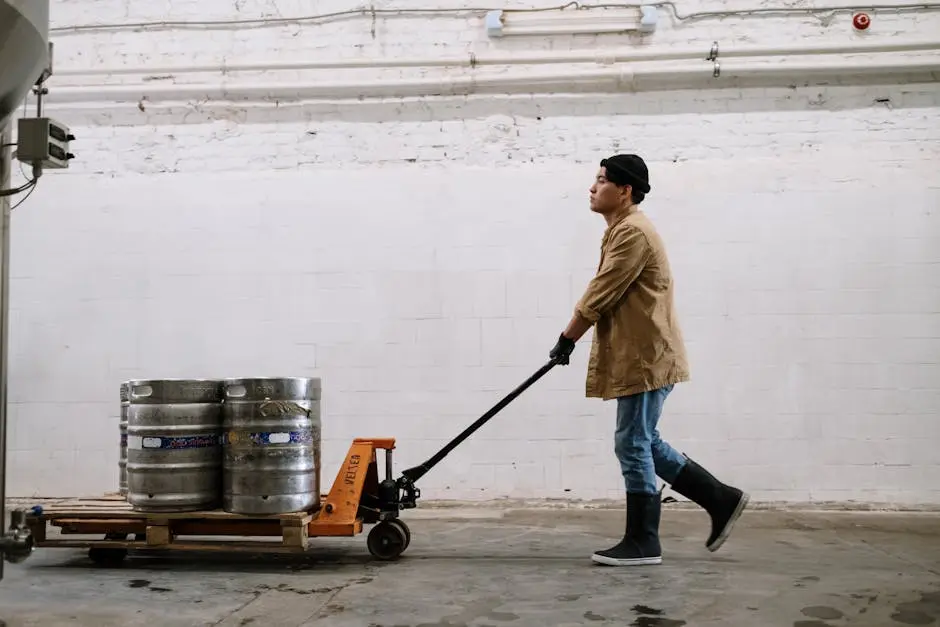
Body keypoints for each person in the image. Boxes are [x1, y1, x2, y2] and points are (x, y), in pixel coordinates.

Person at [549, 154, 749, 567]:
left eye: (601, 181)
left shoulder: (633, 234)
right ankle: (721, 498)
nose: (592, 187)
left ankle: (643, 540)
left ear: (624, 191)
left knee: (633, 442)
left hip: (646, 357)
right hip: (641, 354)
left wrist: (567, 337)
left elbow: (599, 294)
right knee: (644, 441)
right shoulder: (622, 229)